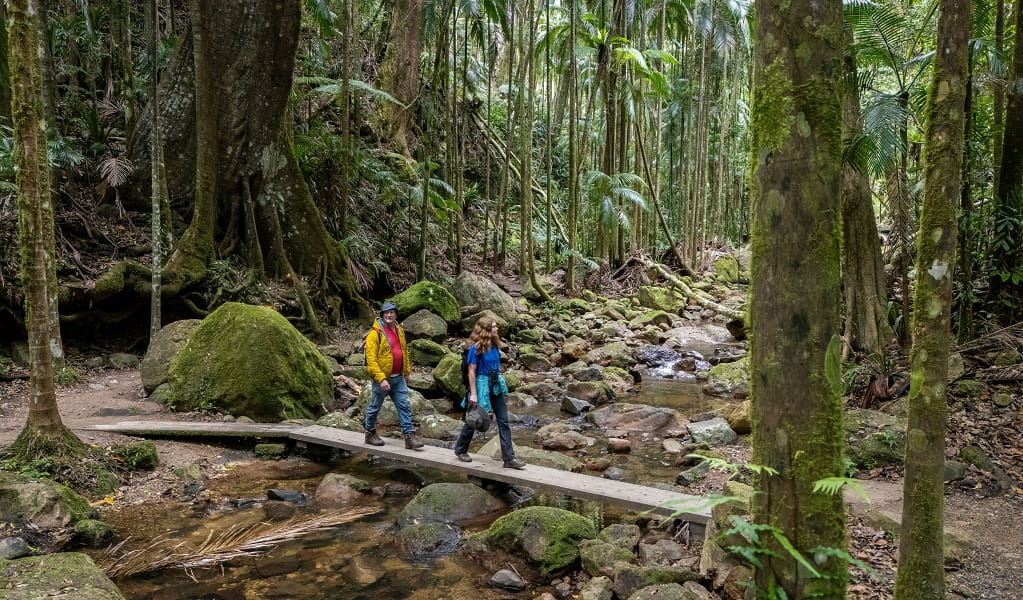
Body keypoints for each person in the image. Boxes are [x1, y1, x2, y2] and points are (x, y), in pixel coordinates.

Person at [452, 316, 525, 469]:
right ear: (486, 330)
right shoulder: (475, 348)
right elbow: (471, 372)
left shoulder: (495, 345)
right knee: (475, 418)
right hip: (481, 384)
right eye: (494, 326)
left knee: (503, 420)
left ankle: (509, 458)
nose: (497, 328)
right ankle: (460, 449)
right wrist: (473, 394)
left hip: (495, 384)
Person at [364, 301, 423, 450]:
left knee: (404, 405)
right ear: (382, 315)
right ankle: (370, 433)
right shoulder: (374, 334)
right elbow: (371, 361)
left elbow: (404, 351)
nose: (389, 315)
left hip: (398, 377)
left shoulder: (399, 330)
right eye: (386, 313)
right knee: (375, 406)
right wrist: (381, 378)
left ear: (396, 314)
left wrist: (406, 371)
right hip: (382, 379)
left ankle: (409, 437)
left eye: (392, 312)